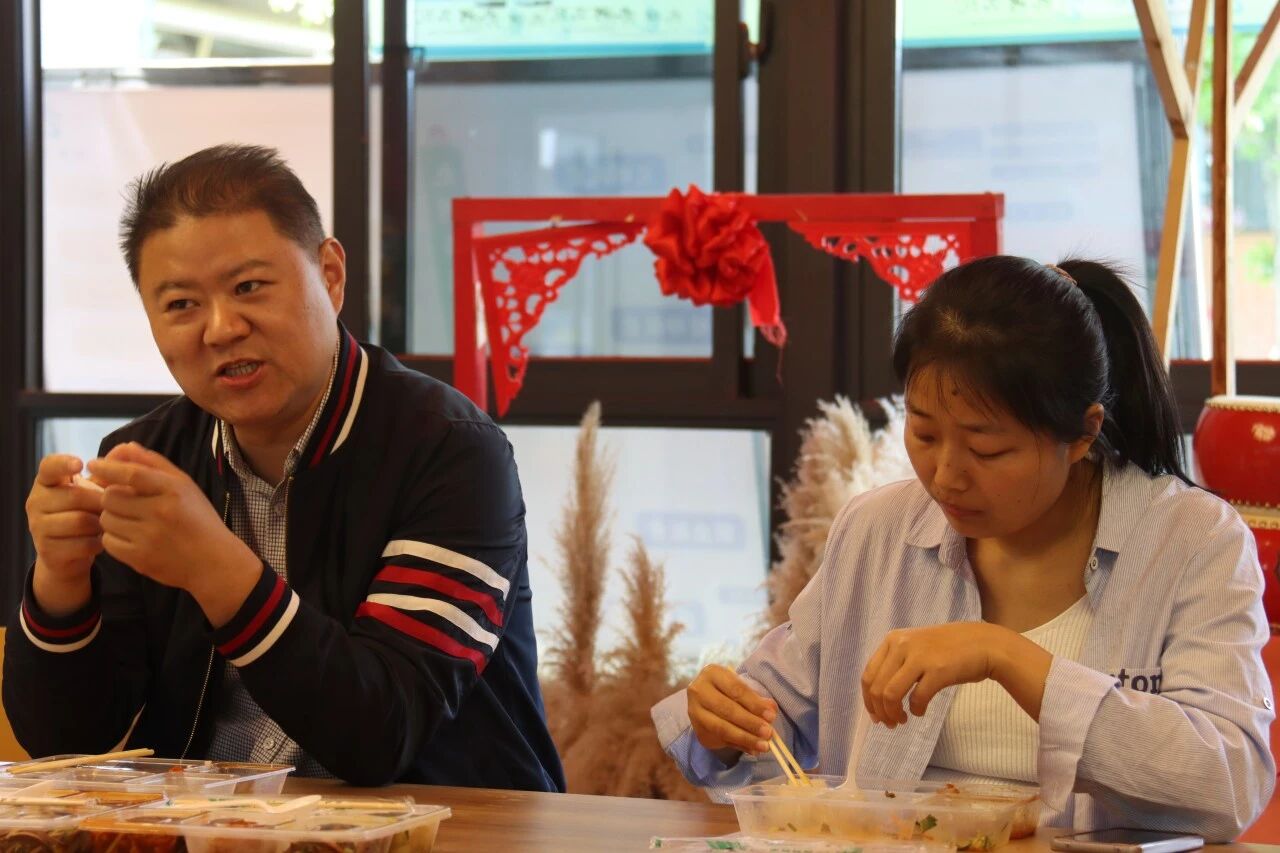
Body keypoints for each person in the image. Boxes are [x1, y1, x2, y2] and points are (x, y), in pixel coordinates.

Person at [652, 256, 1275, 840]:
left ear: (1084, 433)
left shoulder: (1192, 540)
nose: (946, 477)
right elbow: (775, 720)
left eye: (987, 449)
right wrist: (724, 722)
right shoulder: (879, 529)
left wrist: (1003, 654)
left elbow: (1230, 781)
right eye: (924, 434)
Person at [6, 144, 565, 791]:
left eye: (249, 287)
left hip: (445, 824)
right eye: (182, 304)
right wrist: (61, 579)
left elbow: (382, 731)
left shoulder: (451, 451)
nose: (221, 328)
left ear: (330, 275)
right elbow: (63, 743)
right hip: (211, 826)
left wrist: (215, 567)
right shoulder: (148, 459)